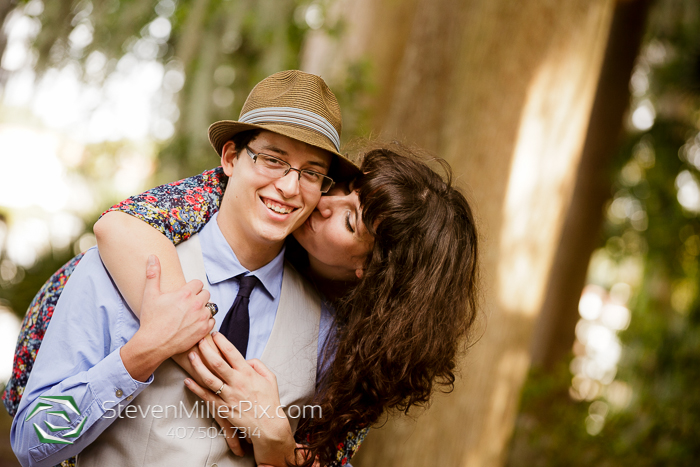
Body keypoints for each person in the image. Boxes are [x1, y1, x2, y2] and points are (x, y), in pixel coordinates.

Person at [10, 70, 359, 467]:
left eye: (311, 173)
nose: (290, 187)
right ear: (230, 158)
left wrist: (276, 440)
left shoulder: (327, 329)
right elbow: (30, 444)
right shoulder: (115, 269)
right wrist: (139, 356)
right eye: (272, 160)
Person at [90, 141, 480, 467]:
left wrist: (276, 439)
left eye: (349, 221)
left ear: (373, 269)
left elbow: (322, 458)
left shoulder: (365, 355)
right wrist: (221, 376)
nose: (326, 201)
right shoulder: (255, 192)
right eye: (346, 187)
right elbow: (120, 225)